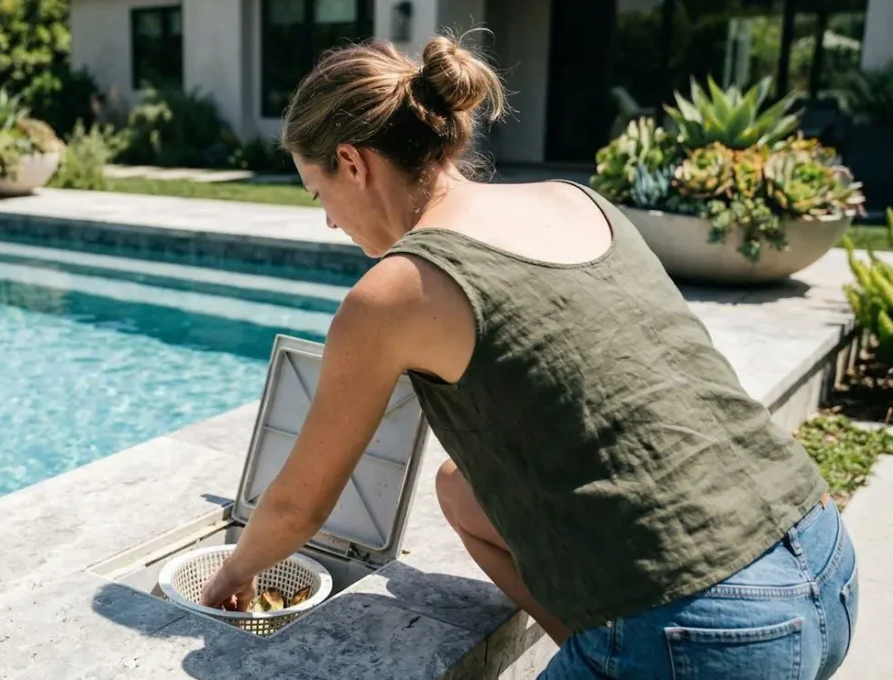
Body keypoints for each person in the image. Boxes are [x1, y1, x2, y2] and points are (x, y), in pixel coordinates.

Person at [198, 31, 858, 679]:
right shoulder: (574, 199)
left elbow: (296, 508)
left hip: (712, 630)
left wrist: (234, 574)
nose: (331, 223)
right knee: (459, 492)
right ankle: (608, 652)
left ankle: (637, 657)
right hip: (824, 560)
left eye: (320, 195)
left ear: (353, 162)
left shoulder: (393, 292)